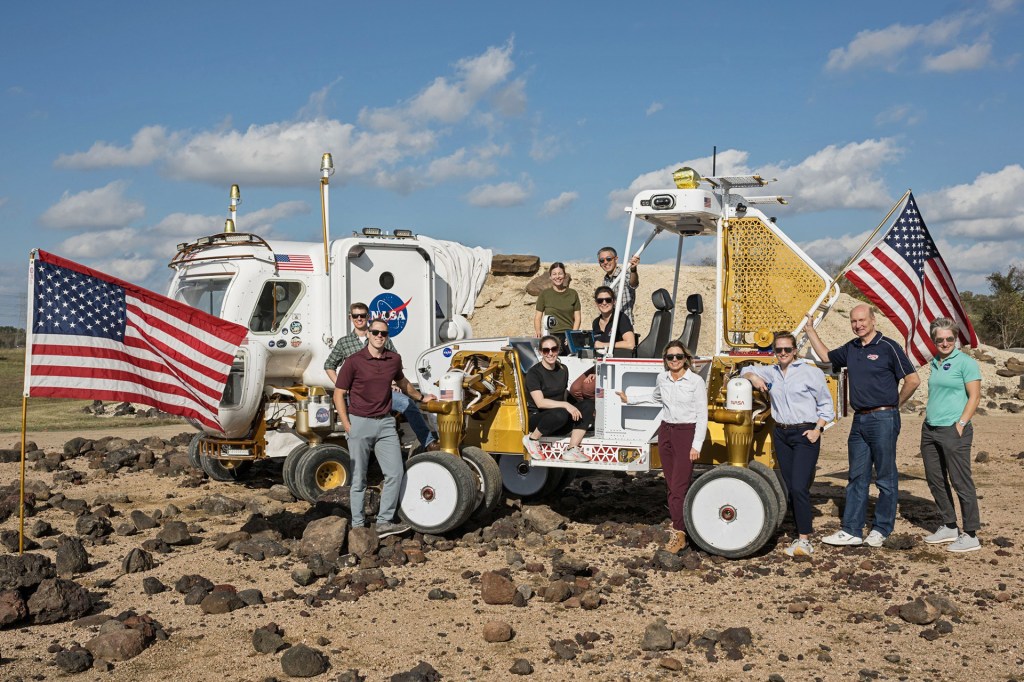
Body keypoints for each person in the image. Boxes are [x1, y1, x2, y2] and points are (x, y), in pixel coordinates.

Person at [804, 304, 920, 548]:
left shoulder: (888, 347)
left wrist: (894, 405)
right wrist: (810, 330)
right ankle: (852, 530)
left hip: (884, 418)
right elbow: (826, 357)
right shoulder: (851, 348)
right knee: (857, 476)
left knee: (885, 477)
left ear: (873, 320)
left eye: (862, 320)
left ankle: (881, 529)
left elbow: (913, 380)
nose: (858, 325)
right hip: (859, 420)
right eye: (854, 321)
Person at [333, 319, 436, 537]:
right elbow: (339, 393)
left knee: (396, 473)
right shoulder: (354, 361)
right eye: (376, 332)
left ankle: (384, 521)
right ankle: (358, 525)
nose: (380, 336)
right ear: (368, 334)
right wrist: (347, 424)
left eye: (384, 333)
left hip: (386, 422)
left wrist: (421, 397)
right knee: (359, 477)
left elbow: (403, 381)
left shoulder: (393, 359)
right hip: (359, 423)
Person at [740, 332, 835, 557]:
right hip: (781, 433)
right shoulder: (771, 370)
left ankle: (804, 539)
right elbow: (744, 369)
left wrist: (818, 429)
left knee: (800, 486)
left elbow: (826, 405)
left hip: (805, 433)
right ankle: (797, 529)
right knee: (790, 485)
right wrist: (754, 377)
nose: (782, 354)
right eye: (778, 350)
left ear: (795, 351)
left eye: (787, 350)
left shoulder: (810, 372)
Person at [617, 341, 707, 554]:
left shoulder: (695, 381)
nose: (674, 360)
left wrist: (696, 444)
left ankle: (679, 532)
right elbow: (655, 397)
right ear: (665, 360)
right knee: (670, 483)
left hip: (686, 433)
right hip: (666, 431)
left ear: (685, 358)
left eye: (678, 356)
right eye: (670, 357)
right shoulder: (662, 378)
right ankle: (680, 524)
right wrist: (630, 399)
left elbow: (703, 416)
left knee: (679, 486)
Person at [325, 302, 439, 453]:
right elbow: (329, 365)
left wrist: (394, 382)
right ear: (350, 318)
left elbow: (393, 363)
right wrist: (343, 386)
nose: (359, 319)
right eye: (355, 316)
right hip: (360, 394)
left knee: (409, 405)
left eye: (363, 315)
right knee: (358, 432)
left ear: (368, 317)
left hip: (385, 392)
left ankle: (428, 442)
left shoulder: (380, 336)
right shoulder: (344, 343)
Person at [920, 318, 982, 553]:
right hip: (930, 429)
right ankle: (949, 525)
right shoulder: (935, 361)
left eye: (949, 339)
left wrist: (961, 423)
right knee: (935, 479)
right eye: (940, 339)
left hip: (954, 429)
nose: (945, 343)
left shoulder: (966, 363)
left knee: (960, 481)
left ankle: (971, 533)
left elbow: (974, 397)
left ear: (955, 339)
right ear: (934, 340)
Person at [521, 335, 594, 463]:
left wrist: (576, 408)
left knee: (588, 404)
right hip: (539, 420)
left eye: (553, 349)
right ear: (540, 352)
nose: (550, 353)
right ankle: (532, 439)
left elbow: (563, 394)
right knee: (561, 412)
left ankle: (572, 449)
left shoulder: (563, 369)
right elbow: (540, 402)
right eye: (546, 350)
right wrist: (566, 405)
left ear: (558, 350)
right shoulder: (534, 373)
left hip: (560, 420)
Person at [533, 262, 581, 345]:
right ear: (550, 277)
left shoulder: (573, 293)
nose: (557, 277)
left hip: (568, 336)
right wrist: (538, 332)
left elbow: (578, 318)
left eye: (560, 274)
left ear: (565, 275)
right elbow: (538, 317)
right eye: (554, 274)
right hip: (550, 335)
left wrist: (572, 336)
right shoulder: (544, 294)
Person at [597, 246, 640, 324]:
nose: (605, 262)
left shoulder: (624, 274)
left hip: (624, 325)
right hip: (610, 325)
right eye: (602, 260)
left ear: (616, 259)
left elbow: (633, 284)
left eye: (609, 259)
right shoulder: (605, 280)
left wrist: (633, 270)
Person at [591, 286, 636, 354]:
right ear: (596, 303)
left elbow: (630, 344)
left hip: (619, 360)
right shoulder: (595, 322)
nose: (604, 303)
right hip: (601, 361)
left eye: (608, 300)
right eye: (600, 300)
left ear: (614, 301)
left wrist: (604, 345)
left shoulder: (621, 318)